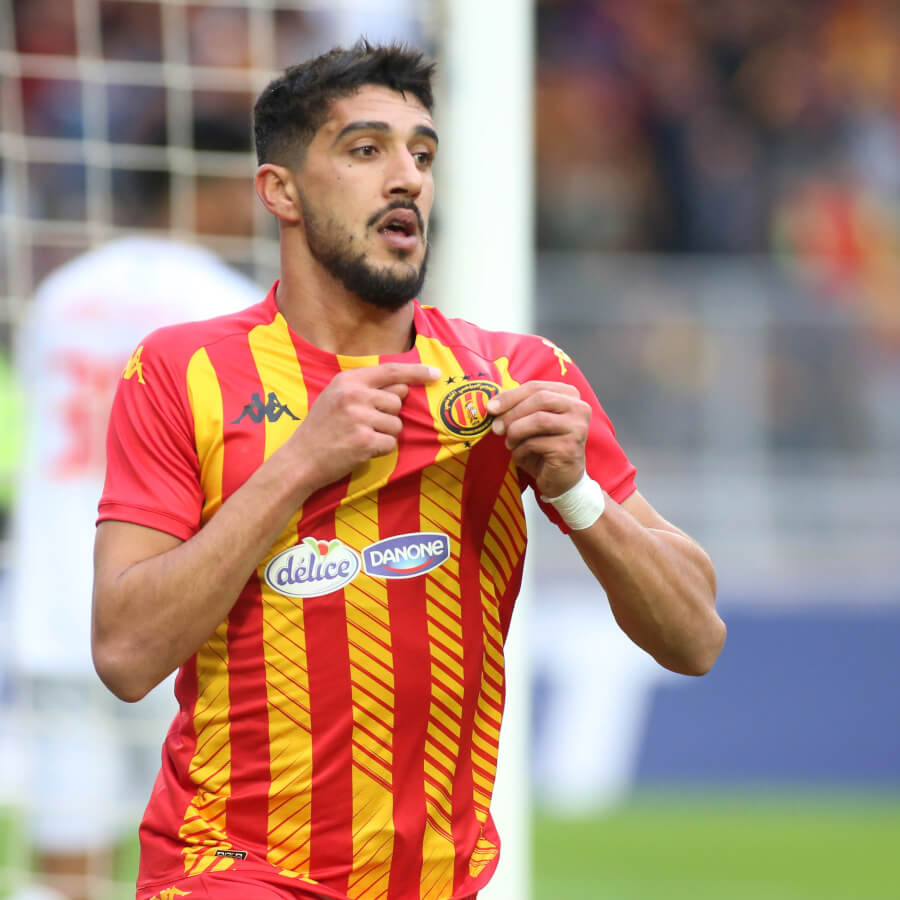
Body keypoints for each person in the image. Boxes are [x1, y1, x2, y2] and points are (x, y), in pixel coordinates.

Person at [92, 40, 726, 900]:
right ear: (280, 191)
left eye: (422, 154)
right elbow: (126, 653)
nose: (407, 178)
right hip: (227, 868)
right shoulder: (182, 372)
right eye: (366, 149)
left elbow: (695, 637)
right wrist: (297, 467)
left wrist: (575, 494)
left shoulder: (518, 378)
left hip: (433, 882)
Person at [7, 121, 264, 900]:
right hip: (172, 606)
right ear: (220, 189)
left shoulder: (61, 293)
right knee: (204, 857)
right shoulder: (226, 306)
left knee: (65, 864)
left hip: (56, 603)